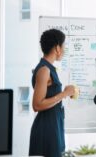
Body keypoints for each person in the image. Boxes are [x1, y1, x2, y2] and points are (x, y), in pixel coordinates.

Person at [29, 29, 76, 157]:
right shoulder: (44, 70)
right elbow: (37, 105)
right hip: (47, 128)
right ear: (57, 48)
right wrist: (64, 93)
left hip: (54, 125)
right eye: (64, 45)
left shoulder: (49, 68)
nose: (64, 50)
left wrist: (65, 93)